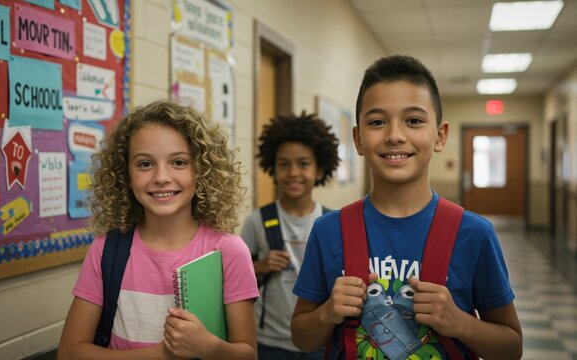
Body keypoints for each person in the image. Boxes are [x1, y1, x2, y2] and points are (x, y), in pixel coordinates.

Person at [291, 55, 522, 360]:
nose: (395, 135)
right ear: (358, 140)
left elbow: (511, 347)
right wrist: (327, 313)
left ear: (440, 136)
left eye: (413, 120)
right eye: (377, 122)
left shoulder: (475, 234)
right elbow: (301, 338)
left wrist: (460, 322)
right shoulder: (328, 230)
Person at [58, 100, 259, 359]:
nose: (161, 176)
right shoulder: (107, 249)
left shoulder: (228, 251)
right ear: (125, 175)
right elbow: (69, 352)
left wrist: (210, 347)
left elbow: (248, 354)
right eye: (144, 164)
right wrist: (162, 354)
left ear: (202, 170)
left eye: (178, 162)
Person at [241, 113, 339, 359]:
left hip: (320, 340)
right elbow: (235, 280)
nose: (293, 172)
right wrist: (261, 266)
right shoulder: (257, 221)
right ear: (273, 169)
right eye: (284, 164)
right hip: (269, 342)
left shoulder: (332, 224)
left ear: (319, 170)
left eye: (303, 164)